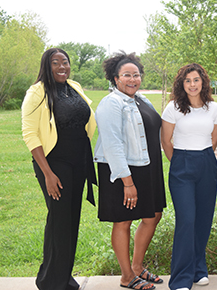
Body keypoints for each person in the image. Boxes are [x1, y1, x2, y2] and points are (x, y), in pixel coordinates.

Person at [21, 48, 97, 290]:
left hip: (79, 162)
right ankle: (50, 281)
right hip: (54, 164)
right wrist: (48, 174)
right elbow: (30, 134)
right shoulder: (37, 92)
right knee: (59, 221)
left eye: (65, 62)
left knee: (71, 220)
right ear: (46, 66)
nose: (62, 66)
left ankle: (63, 277)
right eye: (56, 63)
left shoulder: (73, 86)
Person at [93, 52, 166, 290]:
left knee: (153, 215)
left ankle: (137, 267)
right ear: (115, 78)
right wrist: (127, 181)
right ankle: (126, 276)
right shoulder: (111, 103)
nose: (132, 79)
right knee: (123, 221)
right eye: (126, 75)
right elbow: (112, 144)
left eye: (136, 75)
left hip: (147, 167)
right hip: (122, 170)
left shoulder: (140, 100)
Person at [160, 63, 217, 290]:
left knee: (204, 219)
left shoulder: (213, 109)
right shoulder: (173, 108)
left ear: (203, 82)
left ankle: (198, 269)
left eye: (196, 80)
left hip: (206, 162)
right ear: (181, 84)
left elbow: (213, 140)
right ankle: (180, 279)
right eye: (188, 81)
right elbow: (166, 142)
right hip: (182, 165)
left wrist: (201, 157)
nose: (192, 84)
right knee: (186, 220)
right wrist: (179, 163)